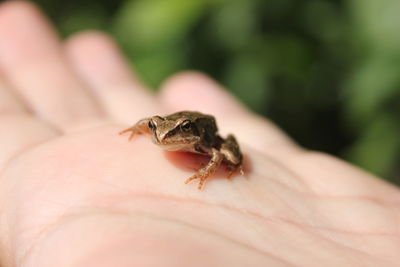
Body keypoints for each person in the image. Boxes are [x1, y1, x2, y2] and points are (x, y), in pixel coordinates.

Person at [0, 1, 399, 266]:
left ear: (188, 132)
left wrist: (213, 171)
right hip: (183, 115)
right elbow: (153, 122)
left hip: (206, 123)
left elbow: (214, 150)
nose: (163, 136)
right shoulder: (162, 128)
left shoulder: (200, 137)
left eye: (174, 131)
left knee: (228, 157)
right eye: (160, 129)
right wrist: (145, 127)